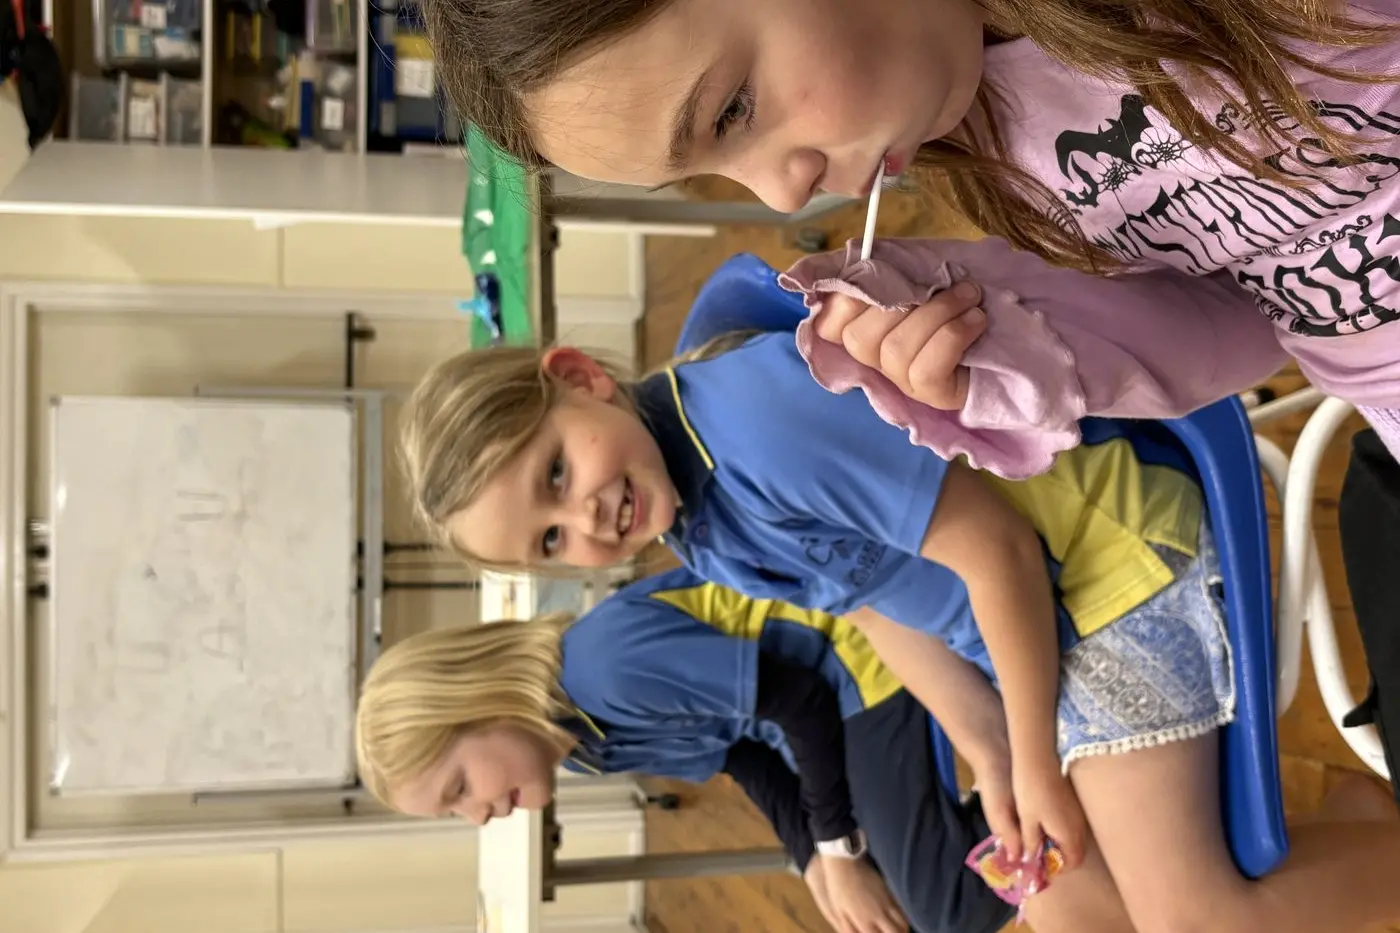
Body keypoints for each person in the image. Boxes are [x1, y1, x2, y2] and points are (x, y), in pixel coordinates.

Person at [400, 331, 1400, 933]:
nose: (586, 525)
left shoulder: (751, 430)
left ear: (579, 376)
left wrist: (1034, 761)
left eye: (557, 477)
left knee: (1193, 923)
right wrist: (989, 752)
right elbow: (873, 605)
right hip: (1053, 624)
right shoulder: (693, 527)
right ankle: (1360, 827)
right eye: (547, 541)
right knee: (1059, 915)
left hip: (1112, 568)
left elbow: (998, 553)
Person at [412, 0, 1400, 460]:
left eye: (728, 113)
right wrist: (1004, 340)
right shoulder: (984, 133)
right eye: (708, 172)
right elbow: (1255, 316)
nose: (778, 197)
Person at [354, 569, 1134, 933]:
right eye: (455, 812)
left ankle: (1092, 775)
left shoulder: (601, 668)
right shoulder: (586, 746)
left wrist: (840, 845)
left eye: (459, 786)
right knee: (909, 893)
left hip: (854, 655)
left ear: (479, 703)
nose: (478, 814)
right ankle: (1058, 792)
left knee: (941, 906)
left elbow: (799, 697)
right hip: (816, 705)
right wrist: (818, 860)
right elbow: (744, 755)